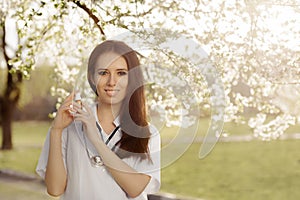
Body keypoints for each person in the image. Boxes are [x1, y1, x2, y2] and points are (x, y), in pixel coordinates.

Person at [36, 40, 161, 200]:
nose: (112, 82)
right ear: (92, 77)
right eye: (103, 73)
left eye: (121, 73)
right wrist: (56, 131)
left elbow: (136, 189)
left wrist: (96, 140)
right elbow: (55, 189)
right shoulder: (68, 125)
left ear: (132, 78)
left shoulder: (148, 133)